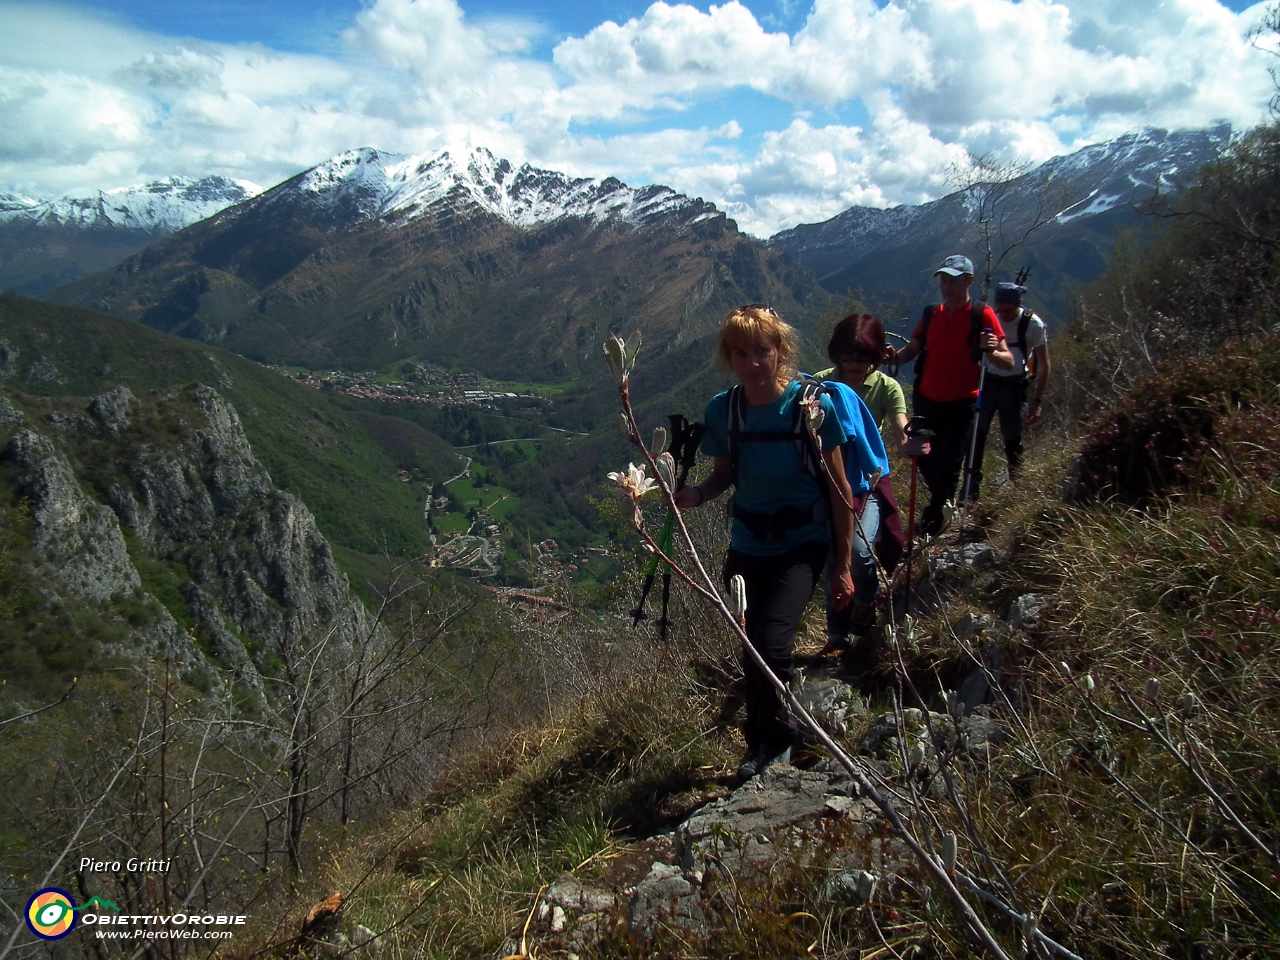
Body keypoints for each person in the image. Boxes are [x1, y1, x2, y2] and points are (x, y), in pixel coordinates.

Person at [674, 304, 855, 780]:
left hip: (802, 542)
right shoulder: (725, 410)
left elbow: (840, 489)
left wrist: (843, 565)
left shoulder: (811, 408)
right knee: (749, 646)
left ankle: (779, 738)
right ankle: (759, 741)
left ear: (780, 351)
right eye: (740, 354)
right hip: (748, 543)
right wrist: (695, 496)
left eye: (761, 351)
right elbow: (723, 476)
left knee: (772, 645)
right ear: (728, 359)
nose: (752, 363)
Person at [888, 255, 1014, 536]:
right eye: (944, 280)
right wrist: (889, 358)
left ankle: (935, 522)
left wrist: (991, 349)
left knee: (949, 465)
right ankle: (942, 512)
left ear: (969, 281)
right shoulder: (932, 313)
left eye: (954, 281)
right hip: (926, 398)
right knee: (924, 459)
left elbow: (1008, 362)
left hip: (962, 403)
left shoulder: (983, 315)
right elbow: (911, 351)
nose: (947, 286)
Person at [814, 313, 907, 643]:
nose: (854, 364)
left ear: (877, 355)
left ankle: (865, 600)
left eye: (863, 357)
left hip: (868, 479)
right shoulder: (820, 386)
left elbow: (900, 429)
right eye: (847, 356)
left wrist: (913, 443)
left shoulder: (886, 387)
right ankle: (837, 635)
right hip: (830, 479)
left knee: (858, 551)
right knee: (833, 555)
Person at [970, 281, 1052, 498]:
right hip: (987, 382)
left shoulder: (1033, 325)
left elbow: (1044, 364)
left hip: (1014, 386)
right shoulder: (990, 317)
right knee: (976, 436)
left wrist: (1037, 401)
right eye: (999, 310)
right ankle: (970, 491)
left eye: (1008, 311)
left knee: (1012, 438)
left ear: (1020, 304)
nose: (1002, 315)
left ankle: (1018, 487)